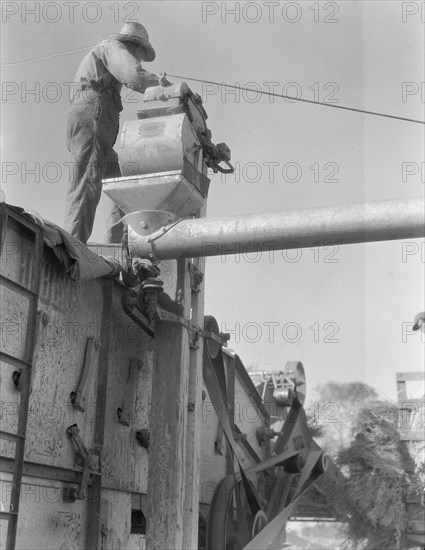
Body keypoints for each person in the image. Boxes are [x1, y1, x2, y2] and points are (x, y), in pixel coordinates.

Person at [65, 22, 171, 244]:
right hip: (94, 113)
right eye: (139, 54)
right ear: (132, 44)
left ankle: (116, 247)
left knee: (124, 186)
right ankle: (73, 248)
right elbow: (133, 74)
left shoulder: (110, 52)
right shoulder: (113, 47)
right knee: (88, 179)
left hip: (97, 117)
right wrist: (158, 86)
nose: (139, 59)